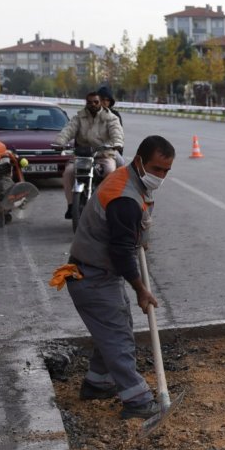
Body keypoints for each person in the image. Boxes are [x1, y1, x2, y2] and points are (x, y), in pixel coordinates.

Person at [53, 135, 175, 420]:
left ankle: (98, 383)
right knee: (118, 336)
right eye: (157, 169)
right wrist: (141, 290)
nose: (161, 176)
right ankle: (137, 400)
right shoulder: (124, 197)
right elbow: (121, 253)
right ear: (139, 161)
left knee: (112, 329)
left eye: (166, 171)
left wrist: (137, 237)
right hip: (92, 276)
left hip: (96, 272)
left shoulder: (129, 178)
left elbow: (126, 234)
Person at [53, 89, 125, 220]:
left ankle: (108, 203)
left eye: (96, 102)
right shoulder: (79, 118)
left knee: (110, 171)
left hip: (104, 154)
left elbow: (117, 132)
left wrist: (117, 143)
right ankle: (71, 205)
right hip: (82, 155)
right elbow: (68, 130)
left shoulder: (110, 118)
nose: (93, 104)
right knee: (68, 172)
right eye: (89, 102)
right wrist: (59, 142)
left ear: (100, 102)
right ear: (86, 103)